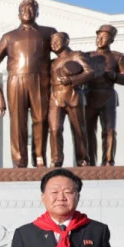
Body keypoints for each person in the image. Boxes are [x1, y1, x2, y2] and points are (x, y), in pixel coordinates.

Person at [0, 0, 57, 168]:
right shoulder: (9, 37)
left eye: (31, 9)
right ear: (18, 14)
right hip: (16, 80)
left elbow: (62, 52)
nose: (27, 12)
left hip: (40, 80)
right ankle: (19, 160)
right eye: (24, 9)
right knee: (17, 121)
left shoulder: (48, 32)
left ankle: (39, 157)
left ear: (37, 13)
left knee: (41, 119)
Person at [85, 25, 124, 166]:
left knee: (109, 130)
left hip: (107, 96)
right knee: (88, 130)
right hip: (90, 95)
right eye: (98, 36)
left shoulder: (117, 57)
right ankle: (90, 162)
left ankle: (108, 161)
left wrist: (113, 75)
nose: (100, 39)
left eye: (104, 37)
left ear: (111, 40)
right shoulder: (87, 56)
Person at [49, 32, 94, 167]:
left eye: (57, 40)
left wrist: (72, 80)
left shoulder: (76, 55)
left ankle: (82, 159)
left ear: (66, 41)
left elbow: (90, 72)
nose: (54, 44)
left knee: (78, 129)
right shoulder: (53, 62)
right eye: (52, 42)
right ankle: (56, 159)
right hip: (55, 97)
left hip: (73, 94)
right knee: (55, 128)